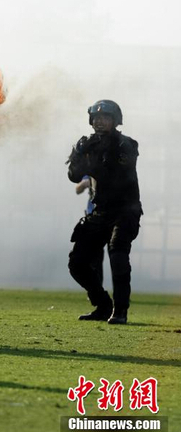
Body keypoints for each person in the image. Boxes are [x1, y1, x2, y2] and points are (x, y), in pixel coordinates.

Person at [67, 100, 142, 325]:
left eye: (106, 118)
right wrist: (79, 156)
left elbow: (118, 174)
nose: (100, 122)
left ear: (115, 121)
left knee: (117, 254)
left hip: (125, 211)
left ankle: (120, 310)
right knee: (77, 263)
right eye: (96, 118)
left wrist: (91, 163)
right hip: (101, 211)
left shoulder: (125, 144)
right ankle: (102, 305)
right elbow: (73, 176)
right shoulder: (88, 144)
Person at [75, 175, 104, 286]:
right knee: (95, 256)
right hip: (94, 216)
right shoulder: (91, 168)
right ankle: (97, 289)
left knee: (115, 254)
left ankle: (119, 294)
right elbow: (78, 189)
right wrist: (84, 183)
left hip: (110, 214)